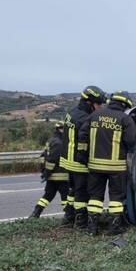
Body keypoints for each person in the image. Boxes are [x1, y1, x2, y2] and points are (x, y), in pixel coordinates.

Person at [79, 91, 136, 235]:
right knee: (116, 198)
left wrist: (82, 155)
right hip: (116, 167)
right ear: (124, 104)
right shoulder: (125, 119)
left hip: (94, 166)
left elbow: (82, 135)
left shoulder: (95, 115)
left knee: (95, 198)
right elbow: (132, 142)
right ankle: (114, 228)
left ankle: (92, 228)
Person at [60, 86, 106, 228]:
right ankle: (81, 222)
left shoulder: (72, 112)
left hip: (68, 160)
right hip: (78, 162)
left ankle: (69, 216)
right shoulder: (85, 118)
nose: (100, 107)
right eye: (98, 104)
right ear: (89, 102)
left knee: (73, 192)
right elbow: (87, 140)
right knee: (82, 193)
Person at [29, 121, 69, 218]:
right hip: (61, 176)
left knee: (48, 196)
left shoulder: (51, 140)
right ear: (60, 129)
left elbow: (43, 156)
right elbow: (52, 160)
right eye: (65, 129)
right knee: (66, 197)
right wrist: (47, 172)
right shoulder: (59, 143)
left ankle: (36, 213)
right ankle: (69, 216)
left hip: (51, 177)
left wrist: (44, 171)